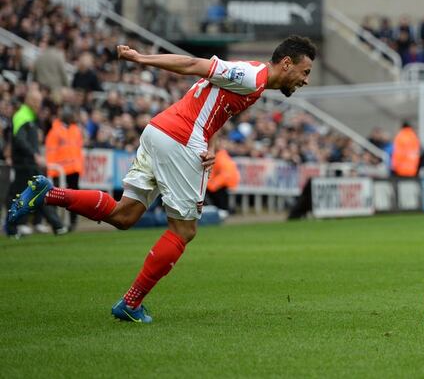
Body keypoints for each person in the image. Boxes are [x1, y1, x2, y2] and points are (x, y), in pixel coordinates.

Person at [7, 36, 316, 321]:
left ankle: (47, 194)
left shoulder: (253, 80)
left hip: (159, 132)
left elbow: (218, 107)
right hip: (180, 141)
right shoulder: (253, 76)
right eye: (304, 71)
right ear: (286, 63)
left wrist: (214, 143)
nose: (305, 80)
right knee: (184, 230)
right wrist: (142, 59)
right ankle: (130, 303)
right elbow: (194, 65)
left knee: (125, 215)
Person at [5, 87, 66, 238]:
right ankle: (55, 225)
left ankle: (56, 225)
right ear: (31, 101)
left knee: (37, 192)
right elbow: (19, 139)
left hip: (28, 163)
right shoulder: (22, 116)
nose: (39, 105)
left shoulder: (29, 116)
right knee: (28, 194)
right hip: (25, 163)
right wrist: (34, 154)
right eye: (38, 102)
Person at [45, 106, 84, 231]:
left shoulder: (75, 130)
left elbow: (78, 150)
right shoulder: (55, 131)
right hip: (60, 170)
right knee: (57, 198)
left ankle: (72, 222)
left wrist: (79, 168)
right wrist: (51, 171)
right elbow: (50, 152)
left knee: (74, 198)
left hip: (74, 170)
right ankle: (58, 223)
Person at [205, 144, 240, 214]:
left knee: (212, 191)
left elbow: (226, 174)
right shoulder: (222, 155)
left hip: (225, 183)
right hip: (227, 182)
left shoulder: (220, 157)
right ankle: (222, 209)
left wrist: (211, 185)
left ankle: (221, 210)